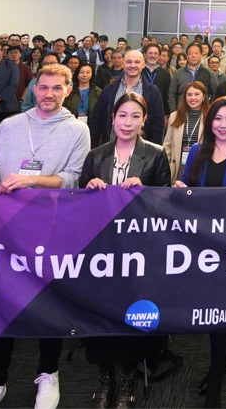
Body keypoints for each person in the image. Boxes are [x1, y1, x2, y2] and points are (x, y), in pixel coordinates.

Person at [0, 64, 90, 409]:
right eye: (43, 87)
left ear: (68, 90)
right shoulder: (9, 125)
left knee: (49, 303)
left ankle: (48, 372)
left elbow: (73, 178)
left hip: (52, 228)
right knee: (0, 302)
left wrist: (32, 180)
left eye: (57, 88)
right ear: (33, 88)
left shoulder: (78, 130)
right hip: (5, 230)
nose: (49, 94)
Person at [80, 93, 171, 409]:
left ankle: (127, 377)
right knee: (101, 311)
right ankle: (105, 377)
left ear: (144, 120)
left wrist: (146, 193)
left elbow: (165, 203)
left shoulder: (156, 154)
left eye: (135, 116)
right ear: (112, 118)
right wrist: (89, 190)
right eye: (122, 115)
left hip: (138, 251)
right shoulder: (95, 156)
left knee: (133, 312)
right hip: (102, 251)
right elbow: (78, 205)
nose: (127, 122)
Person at [89, 49, 165, 148]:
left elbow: (157, 125)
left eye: (137, 62)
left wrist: (153, 153)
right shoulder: (108, 90)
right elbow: (96, 121)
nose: (132, 65)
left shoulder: (153, 92)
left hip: (141, 152)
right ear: (123, 64)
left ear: (143, 65)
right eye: (129, 62)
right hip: (111, 149)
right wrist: (94, 149)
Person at [162, 82, 209, 181]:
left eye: (197, 94)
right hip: (179, 164)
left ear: (204, 97)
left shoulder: (210, 117)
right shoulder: (175, 116)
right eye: (189, 95)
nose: (193, 98)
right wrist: (166, 165)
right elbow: (167, 144)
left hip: (201, 164)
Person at [168, 43, 216, 112]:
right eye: (190, 54)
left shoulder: (209, 72)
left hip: (203, 113)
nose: (193, 56)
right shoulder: (179, 72)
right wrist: (173, 112)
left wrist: (210, 110)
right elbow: (171, 94)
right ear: (187, 56)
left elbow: (215, 93)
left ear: (201, 55)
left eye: (196, 53)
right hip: (182, 112)